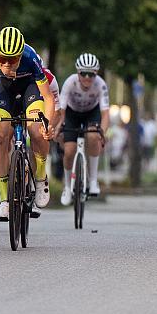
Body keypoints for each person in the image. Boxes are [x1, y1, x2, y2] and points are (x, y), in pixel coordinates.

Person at [0, 26, 56, 220]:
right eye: (2, 58)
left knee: (36, 130)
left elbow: (47, 97)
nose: (6, 64)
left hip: (30, 87)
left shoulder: (31, 58)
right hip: (3, 90)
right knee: (0, 135)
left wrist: (48, 123)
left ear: (20, 56)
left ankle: (40, 178)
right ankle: (4, 200)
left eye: (12, 60)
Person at [57, 53, 110, 205]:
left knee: (93, 136)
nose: (87, 77)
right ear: (77, 73)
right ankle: (67, 187)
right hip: (71, 114)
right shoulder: (70, 82)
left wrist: (103, 133)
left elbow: (105, 114)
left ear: (96, 74)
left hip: (91, 114)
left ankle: (93, 180)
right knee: (69, 151)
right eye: (83, 73)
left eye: (91, 74)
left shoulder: (101, 84)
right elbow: (61, 110)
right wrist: (59, 127)